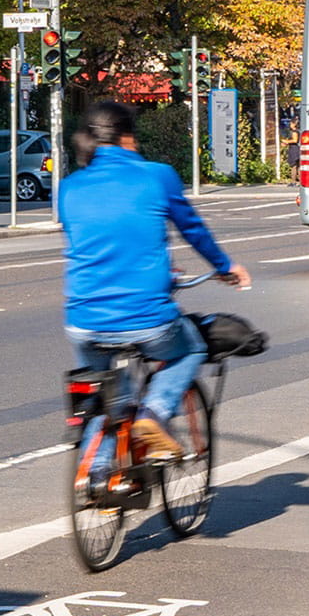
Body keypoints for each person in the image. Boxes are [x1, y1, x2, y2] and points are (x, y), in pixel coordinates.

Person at [60, 101, 251, 458]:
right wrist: (225, 267)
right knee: (191, 346)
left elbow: (95, 242)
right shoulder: (157, 175)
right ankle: (155, 414)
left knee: (104, 400)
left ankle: (96, 478)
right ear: (127, 138)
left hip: (83, 321)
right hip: (146, 318)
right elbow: (193, 230)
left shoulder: (69, 187)